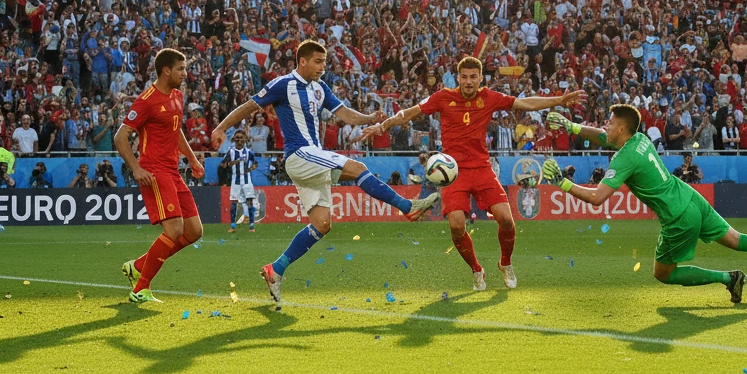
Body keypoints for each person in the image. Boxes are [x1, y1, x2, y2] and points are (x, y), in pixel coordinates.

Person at [210, 40, 439, 304]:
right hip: (299, 154)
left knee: (322, 224)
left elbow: (346, 115)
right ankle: (406, 206)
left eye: (325, 62)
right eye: (318, 62)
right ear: (303, 61)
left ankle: (276, 269)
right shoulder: (283, 84)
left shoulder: (320, 89)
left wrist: (370, 119)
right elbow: (249, 106)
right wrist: (220, 128)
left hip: (312, 158)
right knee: (358, 168)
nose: (322, 67)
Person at [542, 103, 747, 303]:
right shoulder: (639, 139)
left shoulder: (624, 157)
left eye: (610, 121)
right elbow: (602, 136)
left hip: (677, 216)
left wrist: (562, 182)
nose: (605, 125)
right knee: (738, 239)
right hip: (690, 197)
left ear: (622, 128)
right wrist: (572, 126)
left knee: (662, 273)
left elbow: (596, 198)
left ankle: (729, 278)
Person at [355, 55, 587, 291]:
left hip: (482, 169)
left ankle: (505, 263)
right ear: (458, 78)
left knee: (506, 220)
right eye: (464, 77)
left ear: (480, 78)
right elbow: (409, 113)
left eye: (473, 77)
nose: (468, 81)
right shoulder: (444, 97)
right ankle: (476, 269)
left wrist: (558, 99)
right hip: (454, 173)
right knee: (456, 226)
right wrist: (383, 126)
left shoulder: (489, 97)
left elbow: (524, 104)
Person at [115, 48, 206, 305]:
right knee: (175, 229)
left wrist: (191, 158)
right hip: (154, 172)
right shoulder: (147, 100)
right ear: (166, 70)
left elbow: (175, 131)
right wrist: (136, 168)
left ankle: (139, 266)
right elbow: (120, 137)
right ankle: (140, 289)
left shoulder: (177, 96)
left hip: (173, 171)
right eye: (181, 69)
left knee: (194, 231)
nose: (185, 74)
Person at [225, 128, 258, 231]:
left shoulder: (249, 152)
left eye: (241, 138)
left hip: (247, 180)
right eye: (237, 138)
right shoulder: (231, 152)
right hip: (236, 180)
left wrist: (249, 169)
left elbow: (256, 163)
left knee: (249, 202)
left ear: (245, 139)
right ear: (234, 139)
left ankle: (251, 226)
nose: (239, 140)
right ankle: (233, 226)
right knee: (234, 203)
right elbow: (224, 164)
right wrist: (235, 162)